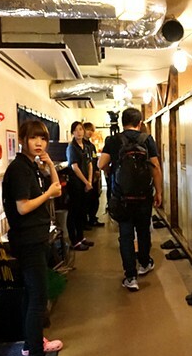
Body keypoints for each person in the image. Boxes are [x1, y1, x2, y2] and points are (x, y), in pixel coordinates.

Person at [2, 120, 68, 356]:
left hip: (36, 237)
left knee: (31, 294)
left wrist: (50, 164)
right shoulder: (19, 169)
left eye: (43, 138)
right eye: (33, 138)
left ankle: (32, 343)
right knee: (38, 298)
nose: (39, 143)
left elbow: (57, 190)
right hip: (27, 240)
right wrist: (47, 193)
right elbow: (22, 207)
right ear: (22, 140)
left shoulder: (32, 166)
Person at [98, 107, 162, 291]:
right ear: (139, 123)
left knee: (125, 235)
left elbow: (101, 164)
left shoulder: (113, 140)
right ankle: (144, 263)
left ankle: (130, 277)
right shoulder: (147, 139)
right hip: (144, 195)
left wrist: (110, 170)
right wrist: (158, 192)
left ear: (122, 123)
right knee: (143, 231)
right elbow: (156, 167)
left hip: (122, 197)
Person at [65, 121, 93, 250]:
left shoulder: (86, 147)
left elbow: (90, 164)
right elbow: (74, 167)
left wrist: (89, 181)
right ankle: (74, 241)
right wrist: (86, 182)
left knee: (82, 211)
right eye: (76, 130)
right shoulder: (72, 147)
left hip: (86, 184)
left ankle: (81, 237)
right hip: (75, 184)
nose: (79, 132)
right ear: (72, 132)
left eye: (81, 129)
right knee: (74, 212)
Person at [83, 122, 104, 227]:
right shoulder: (81, 145)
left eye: (92, 130)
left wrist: (97, 171)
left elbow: (94, 159)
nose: (90, 132)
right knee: (86, 200)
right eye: (88, 130)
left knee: (95, 199)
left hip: (94, 176)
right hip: (85, 177)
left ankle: (92, 218)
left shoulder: (91, 146)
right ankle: (85, 221)